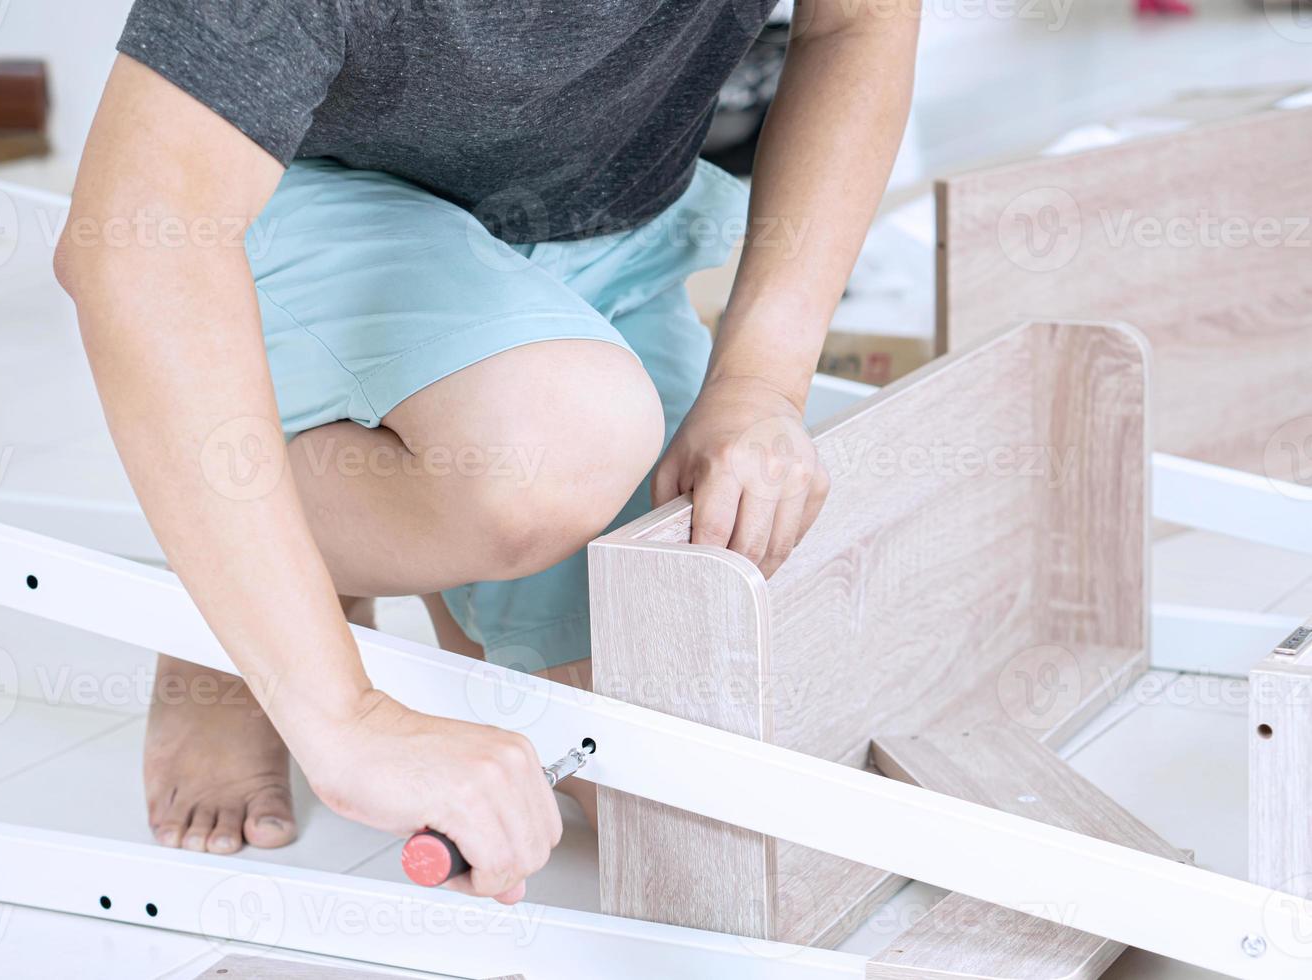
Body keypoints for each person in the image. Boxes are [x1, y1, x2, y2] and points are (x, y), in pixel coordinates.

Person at [54, 0, 917, 906]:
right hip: (302, 199)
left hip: (603, 227)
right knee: (559, 449)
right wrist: (346, 721)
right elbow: (132, 246)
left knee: (647, 773)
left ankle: (361, 496)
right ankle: (235, 596)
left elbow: (856, 24)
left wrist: (762, 380)